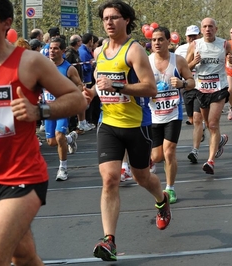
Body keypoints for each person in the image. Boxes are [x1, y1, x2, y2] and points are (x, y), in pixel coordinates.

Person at [0, 1, 87, 265]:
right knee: (23, 255)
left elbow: (77, 99)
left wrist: (39, 111)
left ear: (6, 24)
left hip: (21, 177)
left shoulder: (29, 62)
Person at [85, 1, 171, 261]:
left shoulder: (134, 51)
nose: (109, 22)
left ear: (127, 20)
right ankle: (109, 240)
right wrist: (90, 93)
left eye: (115, 17)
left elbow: (151, 88)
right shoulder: (100, 51)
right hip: (108, 124)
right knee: (110, 179)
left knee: (142, 178)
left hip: (137, 126)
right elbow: (99, 84)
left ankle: (162, 198)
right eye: (105, 18)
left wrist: (118, 87)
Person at [148, 27, 195, 203]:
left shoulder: (179, 61)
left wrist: (182, 83)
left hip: (173, 114)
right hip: (153, 115)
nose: (157, 43)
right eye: (154, 40)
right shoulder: (146, 62)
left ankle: (170, 188)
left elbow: (192, 82)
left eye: (160, 39)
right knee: (156, 156)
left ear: (169, 41)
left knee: (169, 152)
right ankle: (152, 161)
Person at [186, 17, 232, 174]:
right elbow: (185, 67)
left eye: (211, 26)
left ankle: (210, 161)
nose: (208, 29)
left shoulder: (224, 44)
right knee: (206, 122)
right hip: (201, 89)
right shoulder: (195, 45)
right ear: (201, 29)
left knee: (213, 124)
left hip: (219, 88)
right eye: (205, 26)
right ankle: (219, 140)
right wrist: (194, 62)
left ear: (216, 29)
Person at [44, 37, 83, 181]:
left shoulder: (69, 68)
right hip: (47, 108)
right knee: (52, 142)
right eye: (50, 48)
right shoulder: (43, 66)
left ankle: (63, 168)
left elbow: (79, 85)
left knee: (59, 136)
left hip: (62, 108)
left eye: (55, 48)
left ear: (62, 51)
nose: (51, 51)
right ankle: (70, 138)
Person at [175, 24, 206, 163]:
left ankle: (195, 151)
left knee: (198, 119)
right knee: (193, 120)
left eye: (195, 35)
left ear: (199, 35)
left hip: (200, 86)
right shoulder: (180, 50)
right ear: (186, 37)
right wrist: (193, 62)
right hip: (187, 87)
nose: (192, 38)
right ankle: (216, 137)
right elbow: (181, 70)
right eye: (190, 36)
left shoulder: (205, 47)